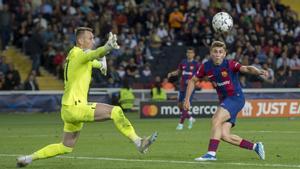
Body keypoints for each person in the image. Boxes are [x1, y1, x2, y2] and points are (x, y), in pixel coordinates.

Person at [16, 27, 158, 167]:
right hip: (76, 106)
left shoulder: (78, 57)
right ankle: (139, 142)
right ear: (80, 40)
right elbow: (95, 54)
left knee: (66, 147)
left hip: (68, 109)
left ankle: (28, 158)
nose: (93, 41)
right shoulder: (77, 54)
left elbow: (97, 62)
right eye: (90, 38)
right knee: (115, 111)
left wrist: (103, 60)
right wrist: (107, 47)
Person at [184, 41, 266, 161]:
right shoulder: (205, 66)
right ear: (211, 53)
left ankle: (211, 154)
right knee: (223, 135)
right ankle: (255, 146)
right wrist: (187, 100)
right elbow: (192, 81)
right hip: (225, 100)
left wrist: (258, 71)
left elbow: (246, 68)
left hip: (236, 98)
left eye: (220, 52)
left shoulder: (231, 64)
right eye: (215, 51)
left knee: (216, 119)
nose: (217, 54)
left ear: (224, 54)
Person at [168, 47, 199, 130]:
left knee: (186, 104)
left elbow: (200, 75)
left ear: (194, 54)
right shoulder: (183, 62)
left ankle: (180, 124)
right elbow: (179, 71)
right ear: (186, 54)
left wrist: (194, 81)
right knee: (179, 105)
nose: (189, 54)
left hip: (190, 87)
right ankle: (190, 118)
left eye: (191, 53)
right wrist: (171, 73)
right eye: (188, 53)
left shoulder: (196, 64)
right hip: (182, 86)